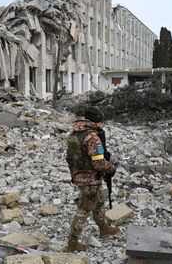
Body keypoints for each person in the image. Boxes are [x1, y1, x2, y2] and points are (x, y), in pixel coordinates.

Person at [63, 106, 120, 252]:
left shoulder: (75, 134)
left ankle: (104, 229)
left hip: (82, 177)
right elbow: (98, 162)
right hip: (91, 180)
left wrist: (74, 175)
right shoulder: (92, 137)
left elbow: (69, 158)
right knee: (83, 211)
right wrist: (111, 168)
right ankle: (72, 244)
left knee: (99, 203)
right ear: (96, 121)